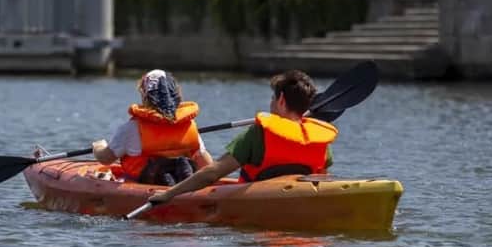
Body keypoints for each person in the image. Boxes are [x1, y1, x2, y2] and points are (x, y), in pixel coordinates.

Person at [147, 70, 336, 204]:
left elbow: (213, 173)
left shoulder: (258, 133)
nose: (271, 102)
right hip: (302, 202)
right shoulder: (320, 138)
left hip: (257, 204)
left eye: (273, 98)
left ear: (280, 101)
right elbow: (323, 180)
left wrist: (169, 194)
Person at [92, 70, 214, 186]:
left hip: (142, 185)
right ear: (176, 95)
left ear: (145, 96)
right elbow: (207, 165)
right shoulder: (189, 125)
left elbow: (106, 159)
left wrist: (98, 147)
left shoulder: (131, 128)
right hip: (182, 183)